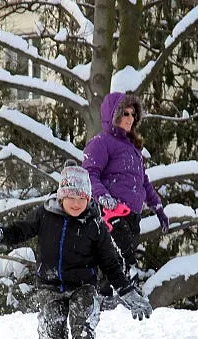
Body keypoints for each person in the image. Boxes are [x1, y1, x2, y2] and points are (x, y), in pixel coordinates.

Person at [0, 165, 152, 339]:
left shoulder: (95, 224)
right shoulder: (45, 215)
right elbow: (20, 230)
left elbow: (111, 262)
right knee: (53, 335)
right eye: (71, 197)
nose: (76, 202)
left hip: (83, 287)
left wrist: (127, 290)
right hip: (49, 285)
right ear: (61, 195)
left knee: (83, 329)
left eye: (81, 198)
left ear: (88, 198)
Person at [82, 91, 169, 299]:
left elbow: (143, 182)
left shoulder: (132, 149)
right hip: (111, 213)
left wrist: (157, 207)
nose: (130, 118)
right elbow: (89, 174)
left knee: (116, 261)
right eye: (125, 114)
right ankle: (122, 295)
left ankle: (104, 300)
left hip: (132, 215)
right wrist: (103, 197)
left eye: (132, 114)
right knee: (123, 260)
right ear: (113, 115)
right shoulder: (101, 142)